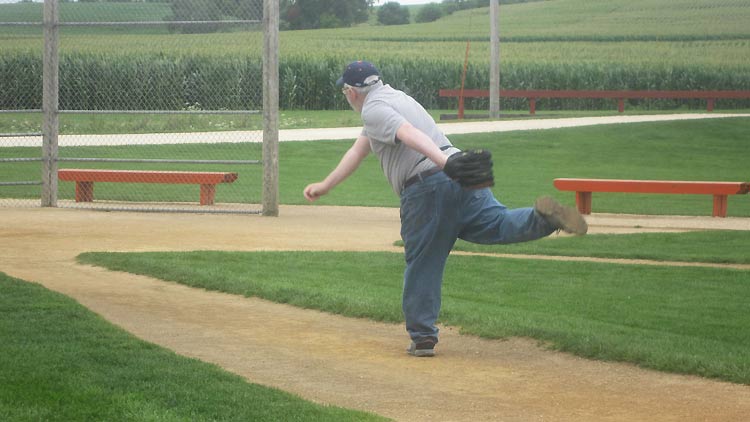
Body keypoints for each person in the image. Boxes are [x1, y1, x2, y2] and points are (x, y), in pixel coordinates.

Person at [303, 60, 587, 357]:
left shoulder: (373, 109)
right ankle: (544, 218)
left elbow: (408, 132)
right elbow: (358, 150)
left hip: (429, 185)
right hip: (461, 177)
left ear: (351, 91)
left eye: (345, 91)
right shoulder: (398, 98)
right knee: (497, 223)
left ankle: (423, 336)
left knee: (424, 260)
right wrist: (326, 185)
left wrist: (444, 164)